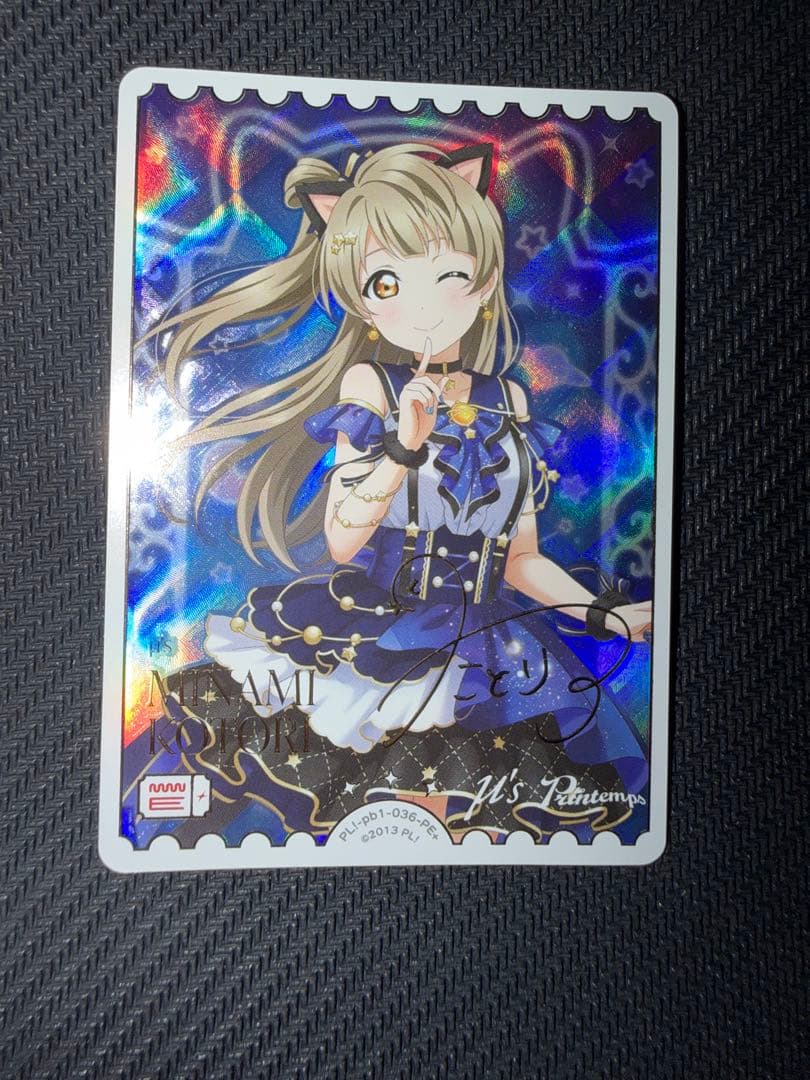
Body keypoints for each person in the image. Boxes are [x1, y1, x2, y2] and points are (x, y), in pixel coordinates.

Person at [143, 141, 652, 839]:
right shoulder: (371, 386)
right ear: (362, 299)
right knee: (390, 819)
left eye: (449, 273)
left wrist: (602, 615)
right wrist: (401, 448)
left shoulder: (510, 400)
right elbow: (342, 538)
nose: (422, 306)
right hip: (382, 632)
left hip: (492, 646)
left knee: (487, 827)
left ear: (484, 281)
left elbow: (522, 558)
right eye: (386, 282)